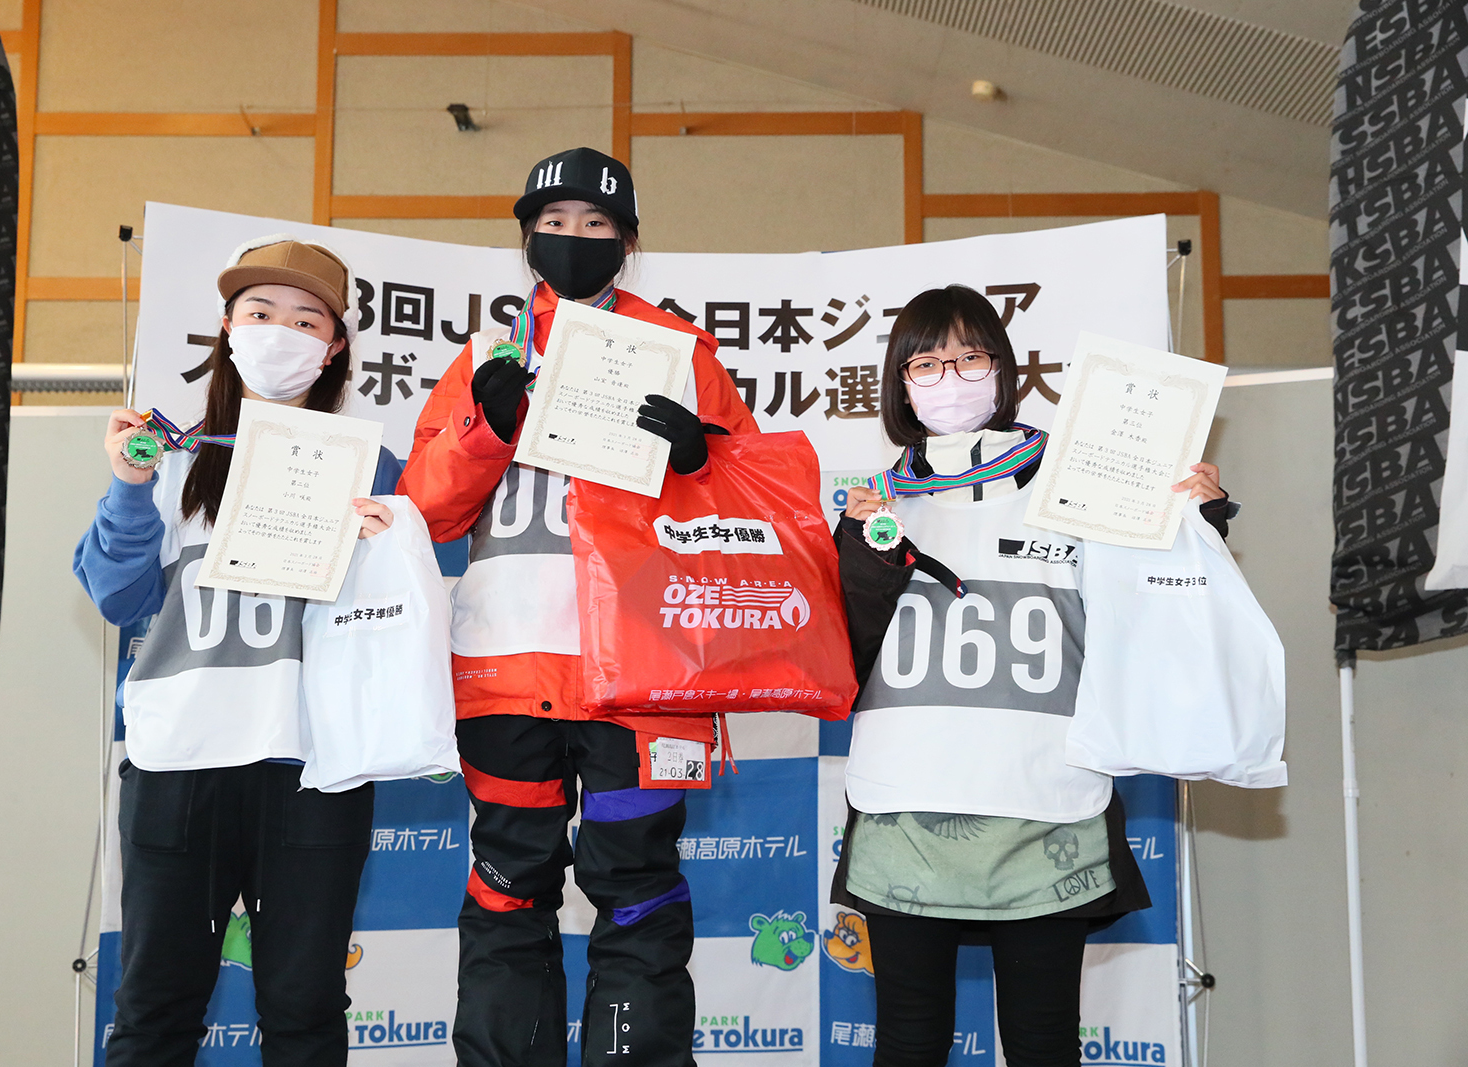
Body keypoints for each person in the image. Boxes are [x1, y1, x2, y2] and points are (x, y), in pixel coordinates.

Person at [401, 146, 758, 1067]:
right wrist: (486, 427)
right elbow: (423, 512)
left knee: (636, 883)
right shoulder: (488, 352)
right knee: (507, 883)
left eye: (596, 225)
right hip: (507, 672)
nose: (573, 238)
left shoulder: (684, 353)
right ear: (526, 238)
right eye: (553, 223)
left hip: (643, 682)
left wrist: (698, 461)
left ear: (628, 243)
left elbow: (751, 515)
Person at [831, 285, 1234, 1067]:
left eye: (970, 357)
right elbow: (843, 656)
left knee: (1043, 1043)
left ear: (1002, 369)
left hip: (1047, 804)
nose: (950, 377)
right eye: (927, 362)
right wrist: (864, 554)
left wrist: (1199, 523)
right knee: (908, 1041)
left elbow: (1156, 612)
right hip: (906, 809)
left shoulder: (1081, 486)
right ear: (901, 383)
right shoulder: (875, 506)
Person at [75, 238, 400, 1067]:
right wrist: (128, 486)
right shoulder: (170, 453)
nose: (279, 331)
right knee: (154, 1009)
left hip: (315, 767)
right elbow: (116, 596)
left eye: (306, 319)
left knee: (305, 1011)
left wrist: (387, 542)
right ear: (227, 327)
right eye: (260, 312)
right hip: (178, 759)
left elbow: (403, 615)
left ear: (334, 346)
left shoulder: (371, 465)